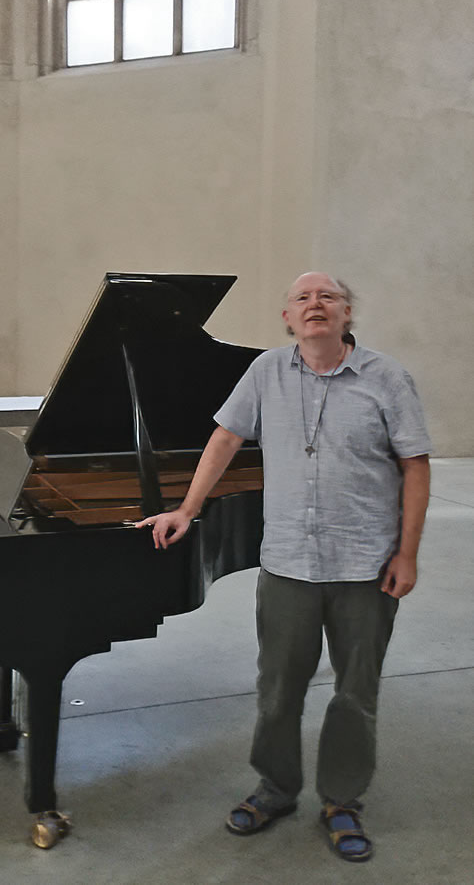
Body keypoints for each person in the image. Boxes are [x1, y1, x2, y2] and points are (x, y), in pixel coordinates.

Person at [137, 271, 431, 863]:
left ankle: (342, 800)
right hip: (289, 563)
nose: (315, 304)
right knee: (277, 690)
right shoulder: (266, 371)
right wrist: (189, 509)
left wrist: (407, 553)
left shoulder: (387, 378)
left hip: (365, 565)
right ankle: (276, 788)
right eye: (302, 298)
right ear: (287, 319)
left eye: (328, 296)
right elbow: (224, 439)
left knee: (354, 692)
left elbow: (415, 467)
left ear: (348, 314)